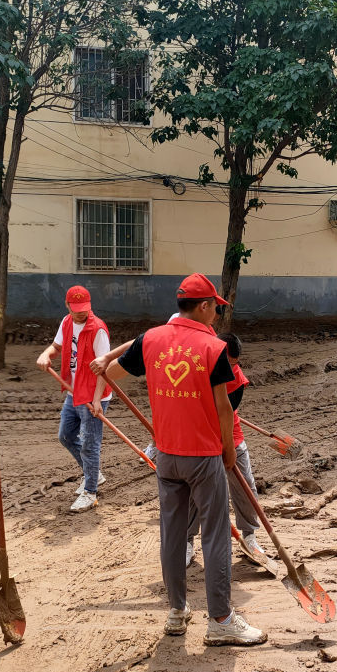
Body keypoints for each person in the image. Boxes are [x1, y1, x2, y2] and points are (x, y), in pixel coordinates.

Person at [97, 273, 266, 646]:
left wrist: (105, 376)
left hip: (167, 454)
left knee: (173, 535)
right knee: (216, 534)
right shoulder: (213, 348)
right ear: (204, 307)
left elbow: (110, 374)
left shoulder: (151, 339)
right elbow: (224, 406)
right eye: (215, 309)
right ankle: (220, 618)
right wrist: (226, 450)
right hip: (203, 455)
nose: (217, 317)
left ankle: (177, 610)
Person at [185, 333, 268, 568]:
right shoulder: (194, 368)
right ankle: (187, 541)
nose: (232, 368)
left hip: (230, 437)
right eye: (228, 363)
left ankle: (249, 536)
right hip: (199, 439)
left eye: (234, 363)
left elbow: (226, 417)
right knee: (193, 492)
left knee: (245, 487)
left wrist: (228, 449)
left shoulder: (237, 379)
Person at [36, 285, 112, 512]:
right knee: (66, 435)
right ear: (67, 306)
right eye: (76, 308)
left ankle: (90, 492)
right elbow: (56, 346)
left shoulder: (98, 329)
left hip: (93, 393)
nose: (81, 313)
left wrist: (97, 399)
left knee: (90, 442)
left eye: (84, 308)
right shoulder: (66, 322)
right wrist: (45, 354)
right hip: (74, 390)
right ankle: (93, 474)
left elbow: (104, 366)